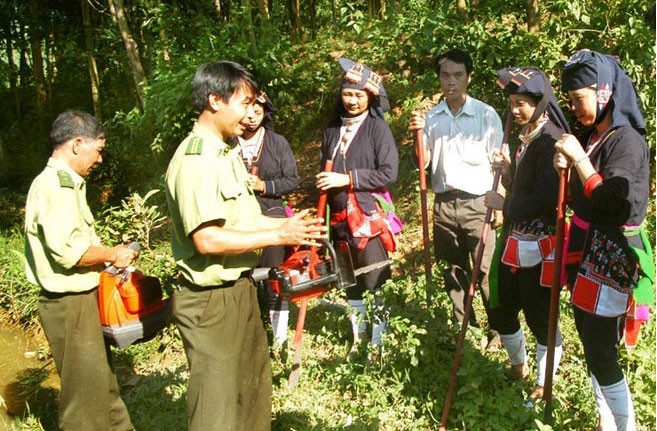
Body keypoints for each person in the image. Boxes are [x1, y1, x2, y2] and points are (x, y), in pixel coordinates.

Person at [165, 60, 325, 431]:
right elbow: (207, 239)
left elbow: (244, 220)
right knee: (216, 406)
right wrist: (278, 236)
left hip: (239, 289)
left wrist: (291, 227)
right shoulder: (197, 160)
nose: (251, 113)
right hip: (209, 302)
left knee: (252, 390)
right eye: (245, 102)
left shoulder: (226, 153)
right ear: (215, 100)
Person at [553, 49, 652, 431]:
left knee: (600, 350)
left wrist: (579, 160)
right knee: (592, 346)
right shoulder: (596, 136)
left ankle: (627, 426)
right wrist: (564, 164)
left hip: (611, 256)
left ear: (605, 91)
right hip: (586, 251)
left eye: (580, 99)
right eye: (572, 101)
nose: (575, 108)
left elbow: (614, 200)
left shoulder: (626, 141)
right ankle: (606, 422)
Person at [24, 110, 138, 431]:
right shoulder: (56, 186)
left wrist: (106, 258)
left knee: (103, 385)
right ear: (77, 144)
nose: (99, 160)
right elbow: (70, 252)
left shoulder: (69, 184)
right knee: (84, 400)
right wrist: (113, 254)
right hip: (68, 304)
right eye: (98, 150)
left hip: (81, 299)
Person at [484, 67, 570, 403]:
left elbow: (546, 199)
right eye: (512, 103)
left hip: (540, 243)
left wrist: (505, 203)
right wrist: (507, 173)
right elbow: (524, 187)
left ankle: (544, 381)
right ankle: (517, 364)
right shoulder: (528, 136)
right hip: (514, 238)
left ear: (540, 101)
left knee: (538, 314)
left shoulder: (550, 139)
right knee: (501, 305)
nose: (515, 110)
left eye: (522, 103)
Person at [409, 49, 503, 348]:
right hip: (444, 205)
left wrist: (500, 198)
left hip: (479, 203)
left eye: (458, 75)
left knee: (485, 269)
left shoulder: (486, 114)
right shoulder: (431, 118)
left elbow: (500, 161)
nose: (451, 82)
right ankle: (465, 329)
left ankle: (499, 331)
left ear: (468, 78)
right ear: (439, 79)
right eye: (445, 75)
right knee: (452, 270)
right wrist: (416, 133)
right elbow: (421, 162)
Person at [316, 58, 398, 358]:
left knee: (375, 279)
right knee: (349, 280)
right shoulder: (333, 128)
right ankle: (359, 336)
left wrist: (347, 178)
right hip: (338, 217)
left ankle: (379, 345)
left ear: (370, 97)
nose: (352, 100)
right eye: (348, 94)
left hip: (367, 215)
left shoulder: (377, 128)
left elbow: (388, 173)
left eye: (359, 95)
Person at [237, 91, 299, 348]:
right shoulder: (228, 144)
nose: (251, 117)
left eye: (257, 112)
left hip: (272, 213)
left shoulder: (277, 143)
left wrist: (264, 185)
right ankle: (250, 331)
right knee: (244, 274)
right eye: (246, 111)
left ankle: (279, 337)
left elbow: (292, 179)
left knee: (274, 273)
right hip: (239, 217)